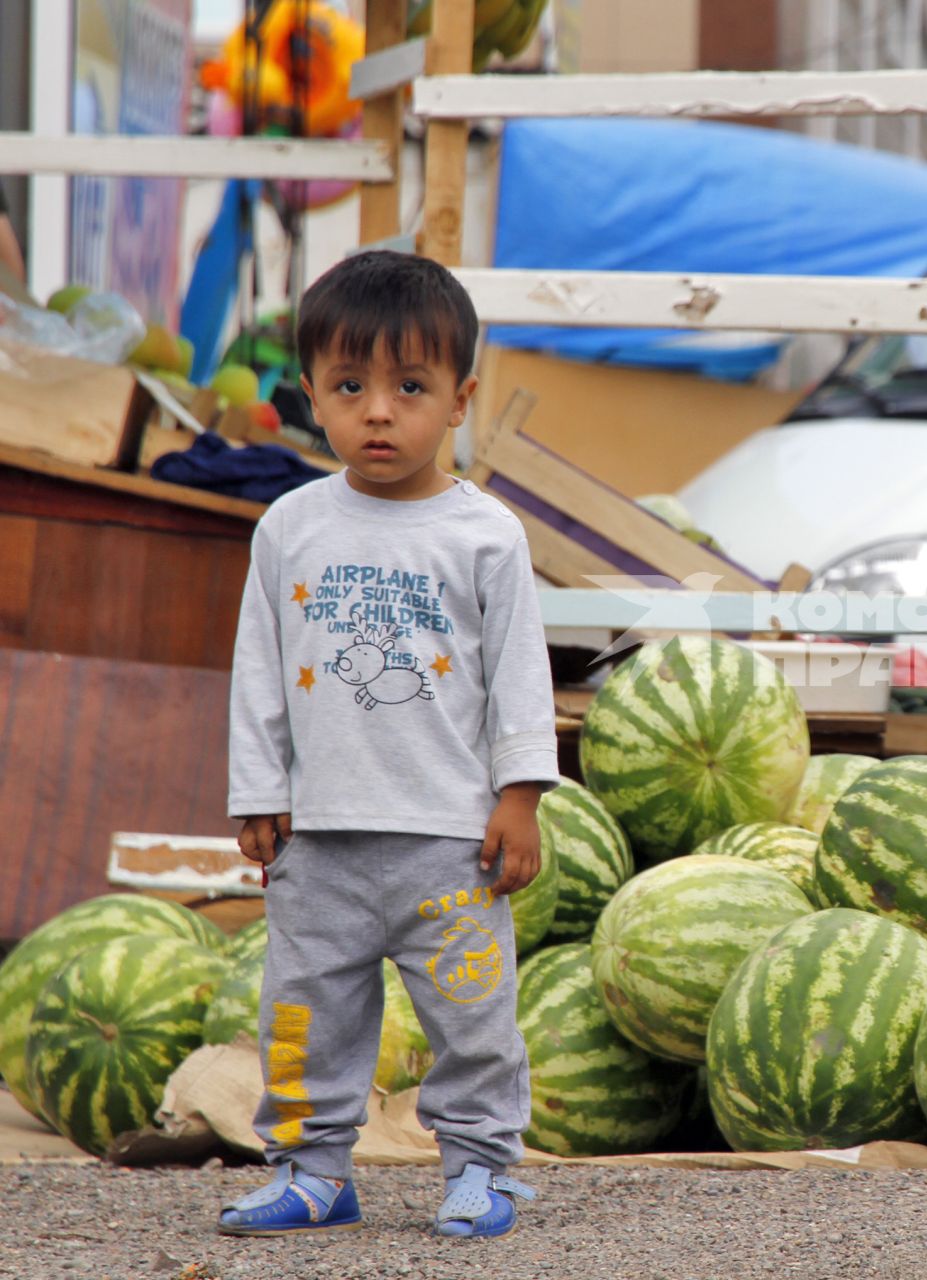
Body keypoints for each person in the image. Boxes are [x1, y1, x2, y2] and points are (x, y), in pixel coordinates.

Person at [219, 250, 558, 1239]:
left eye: (410, 386)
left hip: (448, 841)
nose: (379, 410)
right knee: (301, 1015)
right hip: (318, 838)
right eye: (350, 385)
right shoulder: (289, 528)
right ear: (311, 395)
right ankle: (312, 1167)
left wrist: (521, 795)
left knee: (472, 1018)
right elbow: (258, 668)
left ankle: (479, 1166)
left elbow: (519, 675)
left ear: (460, 399)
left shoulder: (485, 535)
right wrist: (258, 788)